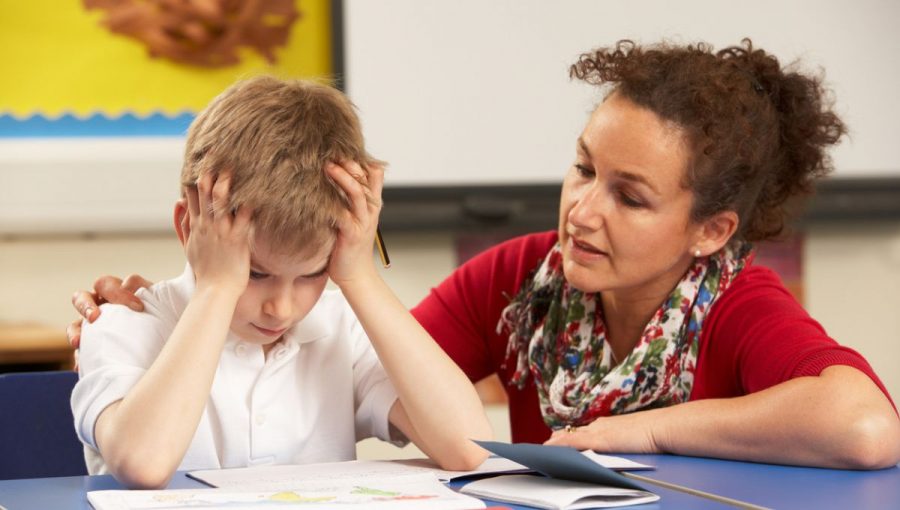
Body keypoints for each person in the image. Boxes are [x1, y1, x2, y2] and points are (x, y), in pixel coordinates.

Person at [70, 39, 900, 470]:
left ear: (710, 230)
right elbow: (400, 371)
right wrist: (209, 295)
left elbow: (864, 424)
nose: (582, 209)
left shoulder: (737, 303)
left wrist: (637, 433)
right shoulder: (520, 279)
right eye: (582, 169)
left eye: (630, 196)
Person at [69, 76, 491, 489]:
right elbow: (143, 464)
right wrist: (218, 288)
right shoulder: (122, 322)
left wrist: (359, 276)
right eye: (254, 273)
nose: (281, 308)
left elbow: (470, 449)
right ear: (189, 227)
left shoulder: (341, 328)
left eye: (312, 274)